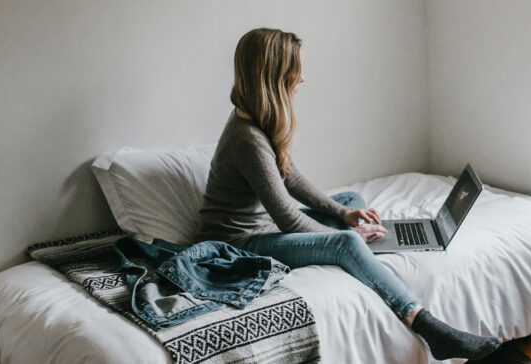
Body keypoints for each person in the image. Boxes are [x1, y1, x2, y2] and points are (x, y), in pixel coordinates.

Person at [194, 28, 501, 360]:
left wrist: (343, 216)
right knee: (347, 242)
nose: (302, 78)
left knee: (351, 202)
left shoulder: (257, 121)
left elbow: (291, 178)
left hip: (264, 228)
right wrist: (346, 235)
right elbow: (286, 216)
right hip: (240, 245)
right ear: (275, 75)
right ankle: (426, 325)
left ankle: (355, 246)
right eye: (295, 70)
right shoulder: (248, 139)